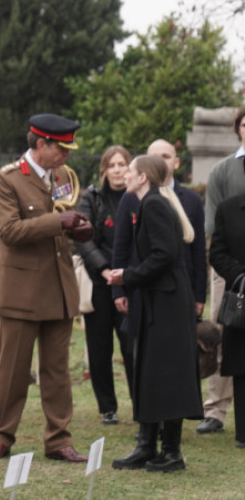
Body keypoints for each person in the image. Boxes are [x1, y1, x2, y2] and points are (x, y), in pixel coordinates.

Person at [0, 114, 93, 463]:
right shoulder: (7, 179)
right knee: (12, 370)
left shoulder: (63, 177)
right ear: (41, 144)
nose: (67, 156)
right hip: (21, 291)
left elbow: (64, 218)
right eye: (61, 148)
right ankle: (2, 436)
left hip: (59, 288)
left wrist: (78, 230)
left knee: (57, 372)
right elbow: (9, 232)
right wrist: (57, 222)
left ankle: (59, 439)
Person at [108, 155, 203, 472]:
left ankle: (171, 452)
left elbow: (165, 254)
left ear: (144, 177)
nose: (125, 175)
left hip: (167, 302)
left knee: (167, 373)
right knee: (150, 371)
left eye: (131, 171)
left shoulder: (154, 205)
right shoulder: (152, 201)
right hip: (159, 299)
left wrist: (128, 277)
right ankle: (147, 446)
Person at [74, 145, 136, 425]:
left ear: (130, 168)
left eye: (122, 164)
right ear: (104, 170)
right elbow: (82, 237)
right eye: (112, 165)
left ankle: (140, 402)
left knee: (132, 348)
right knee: (99, 350)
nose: (117, 170)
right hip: (100, 282)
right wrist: (104, 268)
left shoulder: (138, 197)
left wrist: (125, 274)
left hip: (130, 283)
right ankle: (107, 407)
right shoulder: (92, 197)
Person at [200, 106, 245, 436]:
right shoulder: (222, 171)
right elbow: (214, 228)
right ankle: (216, 410)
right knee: (225, 333)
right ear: (238, 128)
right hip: (230, 272)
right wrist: (234, 272)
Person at [145, 139, 206, 317]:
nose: (160, 162)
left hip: (183, 286)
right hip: (146, 286)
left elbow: (198, 250)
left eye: (166, 156)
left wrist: (199, 295)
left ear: (176, 163)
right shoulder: (134, 197)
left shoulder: (192, 200)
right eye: (154, 157)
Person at [208, 173, 245, 449]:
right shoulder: (228, 209)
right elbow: (217, 253)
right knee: (242, 367)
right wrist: (241, 277)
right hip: (242, 296)